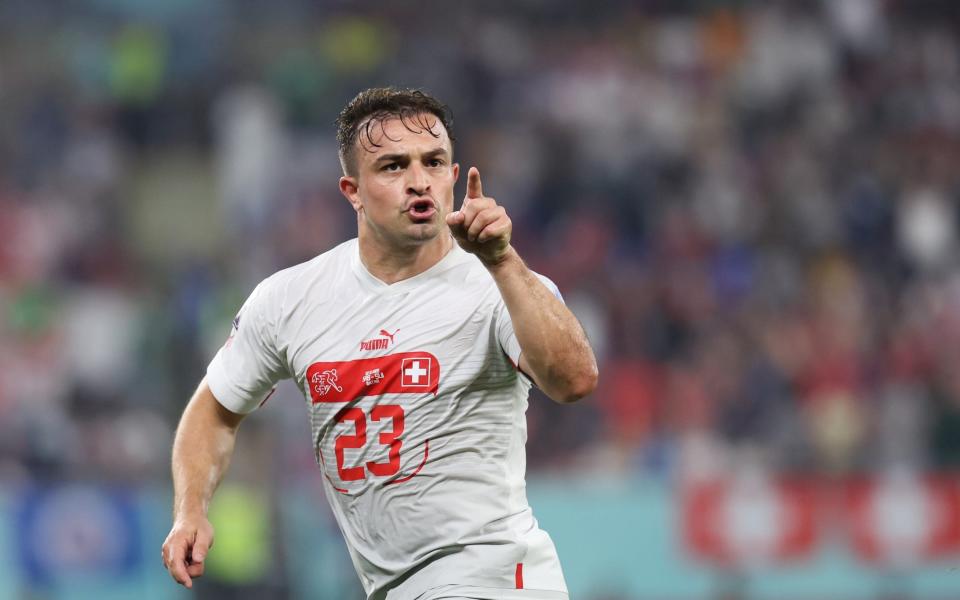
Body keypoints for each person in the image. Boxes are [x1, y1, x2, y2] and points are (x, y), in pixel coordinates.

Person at [161, 87, 598, 600]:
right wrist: (190, 509)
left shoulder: (499, 283)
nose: (419, 182)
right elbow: (214, 407)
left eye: (434, 162)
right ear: (353, 190)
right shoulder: (290, 300)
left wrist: (503, 262)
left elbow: (575, 381)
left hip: (493, 577)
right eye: (393, 167)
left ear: (454, 177)